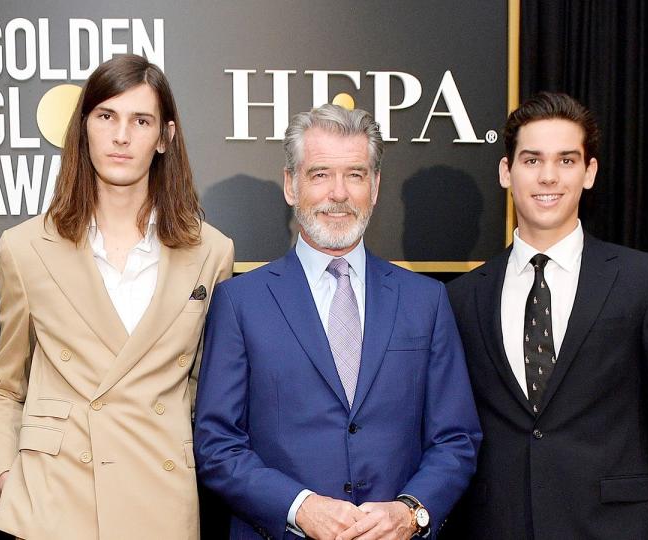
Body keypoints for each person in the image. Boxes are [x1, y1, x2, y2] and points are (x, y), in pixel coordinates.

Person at [193, 103, 482, 540]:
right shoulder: (240, 302)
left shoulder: (426, 300)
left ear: (376, 186)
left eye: (355, 174)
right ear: (291, 184)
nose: (339, 193)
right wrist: (299, 507)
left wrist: (410, 512)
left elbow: (456, 439)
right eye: (320, 173)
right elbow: (217, 445)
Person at [0, 54, 234, 540]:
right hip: (55, 501)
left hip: (159, 496)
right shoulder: (25, 248)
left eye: (141, 121)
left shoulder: (212, 251)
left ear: (165, 137)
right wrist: (7, 478)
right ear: (84, 129)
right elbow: (6, 387)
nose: (121, 137)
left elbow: (209, 390)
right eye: (106, 117)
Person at [445, 92, 648, 539]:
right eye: (531, 161)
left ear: (589, 173)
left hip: (614, 528)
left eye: (566, 161)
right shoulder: (462, 298)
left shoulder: (644, 282)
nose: (548, 177)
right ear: (505, 172)